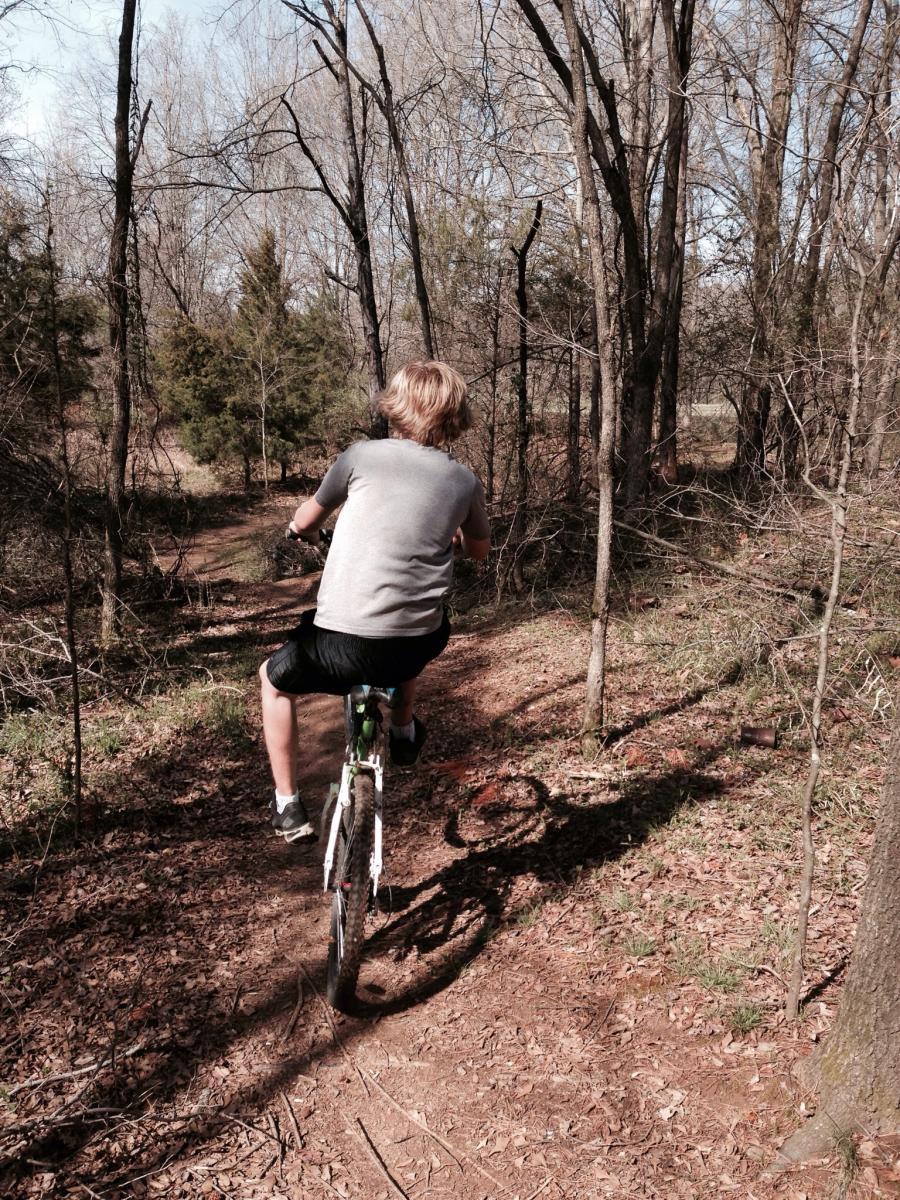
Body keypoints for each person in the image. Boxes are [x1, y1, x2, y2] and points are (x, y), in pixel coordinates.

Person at [259, 360, 491, 842]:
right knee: (421, 624)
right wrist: (454, 541)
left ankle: (287, 804)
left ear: (397, 405)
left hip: (340, 642)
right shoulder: (464, 481)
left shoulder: (361, 456)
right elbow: (478, 550)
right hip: (413, 645)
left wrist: (297, 529)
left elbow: (306, 520)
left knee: (273, 682)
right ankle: (404, 731)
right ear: (454, 414)